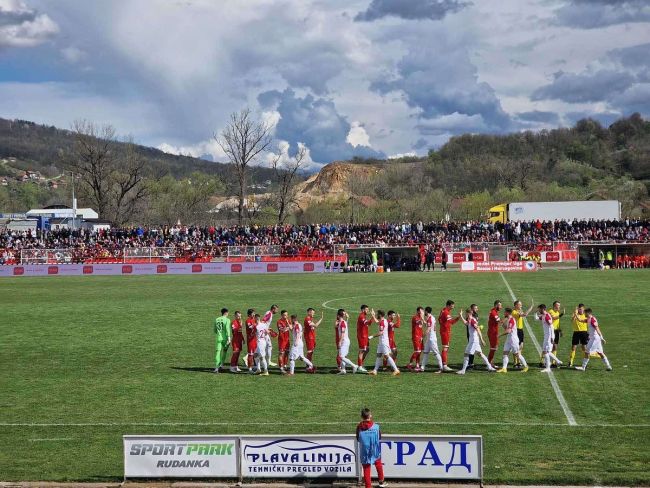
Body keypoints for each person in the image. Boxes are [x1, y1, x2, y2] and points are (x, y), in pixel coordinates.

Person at [457, 305, 496, 374]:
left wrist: (482, 339)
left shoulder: (472, 320)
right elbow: (466, 323)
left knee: (466, 354)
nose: (466, 314)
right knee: (480, 354)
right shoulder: (470, 320)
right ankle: (489, 367)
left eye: (466, 313)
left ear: (469, 313)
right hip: (474, 340)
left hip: (473, 341)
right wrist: (461, 316)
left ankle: (463, 370)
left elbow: (477, 329)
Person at [356, 408, 386, 488]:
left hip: (365, 451)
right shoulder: (376, 427)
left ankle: (368, 487)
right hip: (374, 450)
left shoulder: (359, 427)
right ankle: (381, 482)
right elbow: (379, 437)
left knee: (366, 469)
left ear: (362, 417)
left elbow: (358, 439)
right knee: (378, 464)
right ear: (370, 415)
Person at [368, 310, 400, 376]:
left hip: (383, 342)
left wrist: (371, 337)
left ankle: (396, 370)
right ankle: (375, 371)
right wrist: (373, 316)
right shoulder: (384, 320)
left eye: (377, 314)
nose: (377, 315)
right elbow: (377, 322)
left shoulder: (383, 322)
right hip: (381, 342)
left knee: (387, 356)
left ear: (380, 315)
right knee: (378, 355)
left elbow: (381, 333)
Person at [497, 308, 529, 373]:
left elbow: (508, 331)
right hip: (509, 339)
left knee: (517, 354)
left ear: (508, 313)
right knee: (505, 353)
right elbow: (507, 328)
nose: (504, 313)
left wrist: (499, 335)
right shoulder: (508, 319)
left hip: (513, 340)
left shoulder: (511, 320)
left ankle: (526, 366)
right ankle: (504, 368)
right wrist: (502, 324)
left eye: (505, 312)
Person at [535, 304, 563, 373]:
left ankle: (548, 368)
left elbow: (551, 327)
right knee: (547, 351)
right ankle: (557, 361)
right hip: (546, 336)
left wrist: (552, 337)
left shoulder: (547, 316)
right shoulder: (543, 316)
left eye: (539, 309)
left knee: (546, 352)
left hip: (549, 337)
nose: (539, 310)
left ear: (543, 309)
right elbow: (536, 319)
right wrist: (535, 312)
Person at [336, 309, 362, 374]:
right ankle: (343, 370)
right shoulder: (343, 322)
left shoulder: (342, 323)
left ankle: (354, 365)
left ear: (338, 316)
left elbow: (342, 333)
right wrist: (347, 318)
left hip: (344, 341)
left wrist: (340, 342)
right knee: (343, 356)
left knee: (341, 356)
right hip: (345, 341)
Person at [439, 300, 461, 372]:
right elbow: (451, 322)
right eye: (452, 305)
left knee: (445, 347)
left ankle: (444, 364)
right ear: (448, 305)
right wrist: (459, 317)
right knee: (445, 348)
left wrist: (442, 325)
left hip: (444, 331)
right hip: (445, 332)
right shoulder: (446, 312)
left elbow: (439, 319)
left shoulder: (443, 310)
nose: (453, 307)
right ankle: (444, 365)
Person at [421, 306, 444, 373]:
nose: (424, 312)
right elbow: (428, 325)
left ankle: (441, 368)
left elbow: (428, 329)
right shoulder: (432, 318)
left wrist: (422, 336)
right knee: (425, 352)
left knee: (436, 353)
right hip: (429, 339)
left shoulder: (430, 319)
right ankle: (422, 367)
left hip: (432, 339)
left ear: (426, 311)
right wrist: (423, 319)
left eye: (425, 311)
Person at [512, 299, 534, 367]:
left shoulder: (519, 310)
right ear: (516, 305)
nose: (521, 305)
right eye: (520, 304)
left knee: (521, 346)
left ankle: (518, 362)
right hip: (516, 330)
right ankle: (515, 362)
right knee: (516, 347)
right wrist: (531, 307)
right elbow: (524, 314)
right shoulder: (514, 312)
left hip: (520, 330)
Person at [304, 308, 324, 372]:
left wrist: (321, 319)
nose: (313, 314)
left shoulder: (310, 319)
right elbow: (315, 326)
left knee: (311, 352)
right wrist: (321, 319)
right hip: (309, 338)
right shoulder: (307, 319)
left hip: (312, 338)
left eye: (313, 313)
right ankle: (308, 367)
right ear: (308, 312)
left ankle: (309, 365)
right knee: (310, 352)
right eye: (312, 312)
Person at [546, 301, 565, 367]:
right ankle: (542, 361)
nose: (559, 306)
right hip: (551, 331)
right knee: (548, 348)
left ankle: (553, 363)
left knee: (555, 347)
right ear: (554, 306)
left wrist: (560, 330)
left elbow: (557, 322)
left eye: (559, 305)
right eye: (558, 305)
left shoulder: (557, 312)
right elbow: (553, 318)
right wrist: (561, 315)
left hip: (556, 331)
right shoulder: (551, 311)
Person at [213, 308, 231, 373]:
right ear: (226, 313)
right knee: (225, 350)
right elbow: (227, 329)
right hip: (225, 338)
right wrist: (229, 338)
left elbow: (215, 330)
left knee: (218, 352)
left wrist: (219, 333)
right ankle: (222, 365)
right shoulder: (227, 320)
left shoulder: (217, 319)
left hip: (218, 338)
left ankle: (216, 368)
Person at [407, 307, 425, 371]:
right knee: (417, 351)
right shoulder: (415, 317)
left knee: (419, 351)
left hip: (420, 336)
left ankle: (417, 365)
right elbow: (420, 321)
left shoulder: (421, 317)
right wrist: (422, 317)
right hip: (416, 336)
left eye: (422, 311)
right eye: (421, 311)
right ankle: (410, 364)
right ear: (418, 311)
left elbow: (424, 323)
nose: (422, 312)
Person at [487, 301, 502, 368]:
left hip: (494, 332)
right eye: (500, 305)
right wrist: (507, 317)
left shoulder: (495, 311)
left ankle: (490, 363)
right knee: (493, 348)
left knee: (494, 348)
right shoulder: (493, 312)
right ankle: (489, 364)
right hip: (492, 333)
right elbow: (499, 321)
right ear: (496, 305)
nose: (501, 307)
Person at [245, 308, 257, 373]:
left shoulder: (254, 320)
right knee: (250, 354)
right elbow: (250, 327)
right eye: (253, 313)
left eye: (254, 313)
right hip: (250, 340)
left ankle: (255, 366)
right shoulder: (248, 321)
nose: (254, 314)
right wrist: (256, 325)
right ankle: (249, 368)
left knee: (256, 353)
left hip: (255, 339)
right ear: (249, 314)